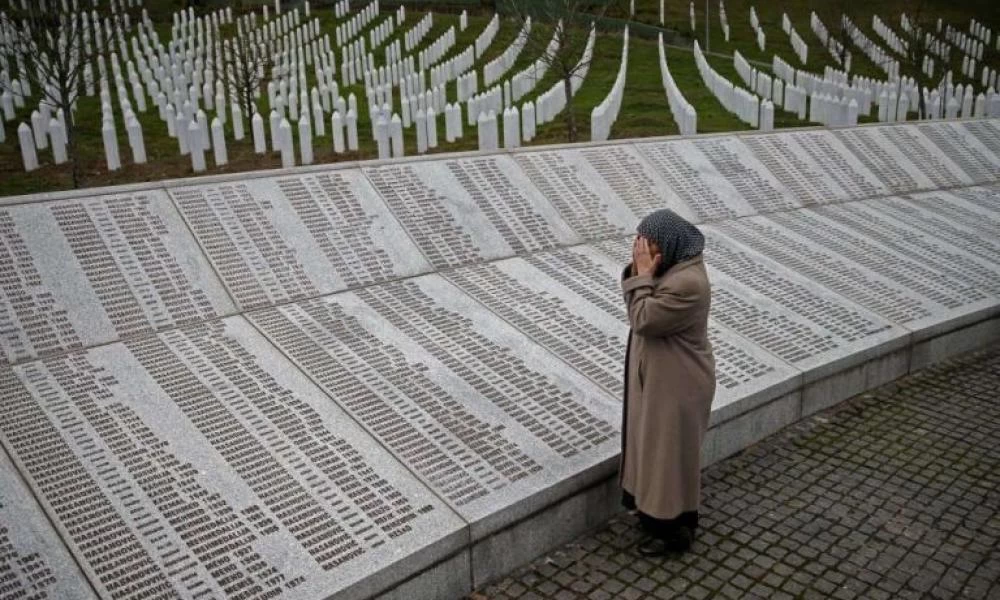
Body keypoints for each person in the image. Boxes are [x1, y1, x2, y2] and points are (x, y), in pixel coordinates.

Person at [619, 208, 716, 557]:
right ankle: (659, 517)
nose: (643, 252)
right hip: (664, 380)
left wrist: (643, 274)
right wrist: (642, 272)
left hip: (679, 385)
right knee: (658, 453)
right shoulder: (674, 269)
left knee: (668, 458)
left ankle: (672, 531)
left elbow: (642, 318)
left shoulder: (687, 284)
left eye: (650, 246)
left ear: (671, 245)